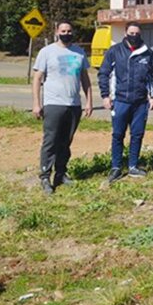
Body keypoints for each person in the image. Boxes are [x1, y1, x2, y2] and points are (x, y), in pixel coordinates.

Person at [31, 21, 94, 195]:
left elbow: (85, 79)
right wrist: (37, 103)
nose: (66, 33)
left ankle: (61, 173)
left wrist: (89, 101)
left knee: (66, 142)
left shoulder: (79, 52)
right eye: (63, 31)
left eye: (69, 31)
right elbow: (37, 78)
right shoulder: (47, 52)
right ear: (57, 32)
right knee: (51, 140)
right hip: (53, 103)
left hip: (73, 104)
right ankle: (45, 175)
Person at [98, 22, 153, 184]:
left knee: (137, 135)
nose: (134, 36)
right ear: (125, 33)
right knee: (118, 135)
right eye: (131, 33)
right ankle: (116, 167)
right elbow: (104, 73)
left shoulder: (147, 53)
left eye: (137, 33)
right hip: (120, 101)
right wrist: (105, 96)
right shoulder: (114, 51)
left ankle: (133, 166)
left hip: (140, 103)